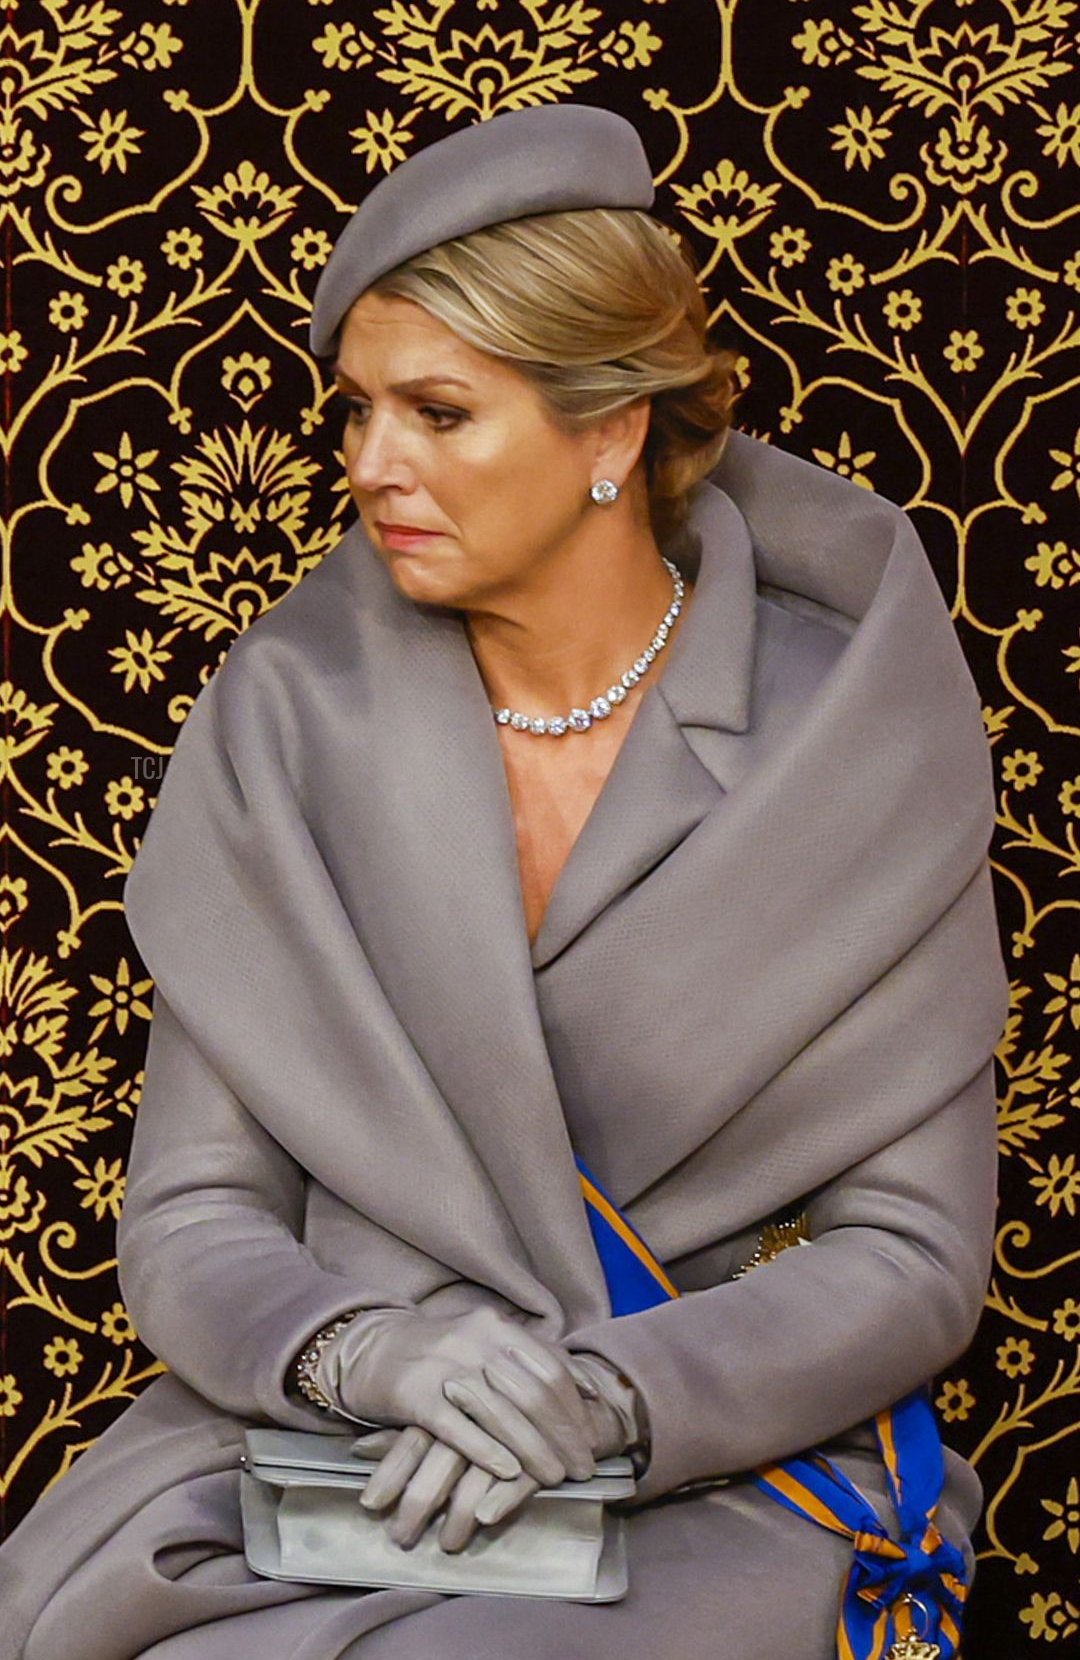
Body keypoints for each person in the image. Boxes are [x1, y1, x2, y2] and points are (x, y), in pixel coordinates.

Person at [0, 103, 1009, 1660]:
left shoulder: (851, 735)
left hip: (714, 1466)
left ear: (611, 433)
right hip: (320, 1454)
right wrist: (368, 1353)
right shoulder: (289, 714)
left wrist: (605, 1395)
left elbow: (913, 1256)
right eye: (357, 413)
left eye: (441, 413)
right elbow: (195, 1213)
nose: (370, 466)